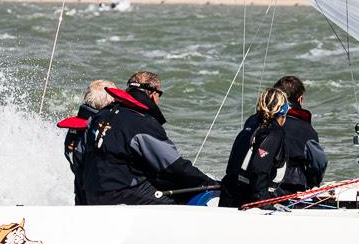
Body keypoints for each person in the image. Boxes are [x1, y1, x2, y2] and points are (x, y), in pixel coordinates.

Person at [81, 71, 216, 205]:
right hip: (121, 194)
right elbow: (174, 166)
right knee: (186, 196)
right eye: (159, 95)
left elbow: (80, 157)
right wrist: (210, 183)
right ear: (153, 94)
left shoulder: (100, 115)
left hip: (90, 193)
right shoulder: (142, 123)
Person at [219, 88, 290, 207]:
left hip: (230, 191)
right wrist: (263, 202)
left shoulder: (251, 122)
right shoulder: (273, 133)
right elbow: (258, 170)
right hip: (248, 199)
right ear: (283, 111)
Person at [57, 79, 116, 205]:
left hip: (81, 190)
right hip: (100, 194)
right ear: (109, 102)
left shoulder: (76, 126)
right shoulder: (99, 127)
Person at [273, 76, 327, 194]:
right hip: (291, 188)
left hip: (258, 185)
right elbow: (319, 163)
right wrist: (313, 184)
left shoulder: (260, 121)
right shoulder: (308, 131)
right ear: (300, 100)